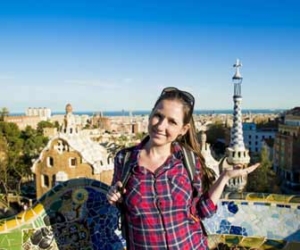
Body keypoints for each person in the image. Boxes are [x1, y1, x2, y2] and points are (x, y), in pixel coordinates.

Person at [106, 87, 259, 249]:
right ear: (150, 114)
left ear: (183, 129)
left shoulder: (188, 160)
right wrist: (114, 197)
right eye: (158, 116)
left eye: (172, 122)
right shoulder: (125, 160)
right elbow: (120, 201)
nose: (160, 126)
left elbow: (202, 210)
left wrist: (225, 176)